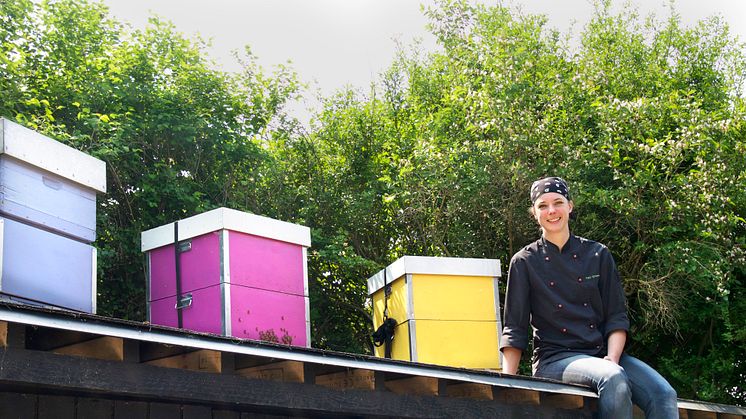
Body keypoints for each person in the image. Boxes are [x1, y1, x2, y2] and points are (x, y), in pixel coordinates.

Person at [500, 176, 678, 419]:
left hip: (602, 354)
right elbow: (514, 328)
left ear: (570, 206)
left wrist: (612, 358)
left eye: (558, 202)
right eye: (542, 205)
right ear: (534, 213)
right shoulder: (524, 261)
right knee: (612, 378)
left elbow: (616, 317)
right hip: (554, 359)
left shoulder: (598, 254)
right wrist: (505, 385)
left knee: (663, 394)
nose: (551, 211)